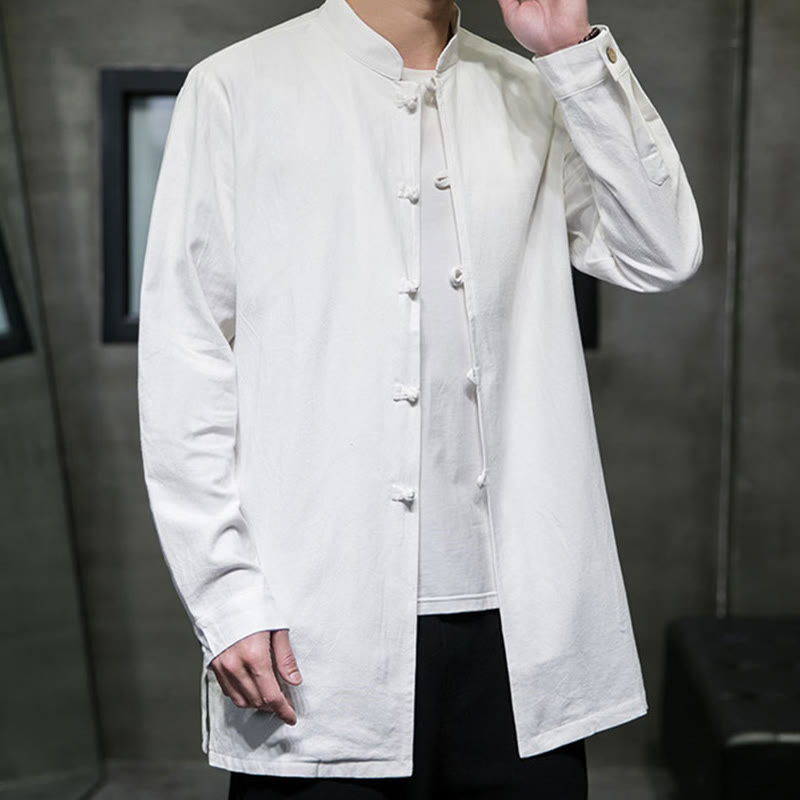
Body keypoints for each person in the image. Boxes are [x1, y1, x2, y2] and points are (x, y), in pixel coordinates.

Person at [137, 0, 703, 797]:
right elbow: (184, 357)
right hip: (319, 631)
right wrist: (224, 595)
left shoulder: (535, 89)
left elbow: (661, 252)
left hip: (522, 638)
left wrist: (570, 54)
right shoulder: (237, 86)